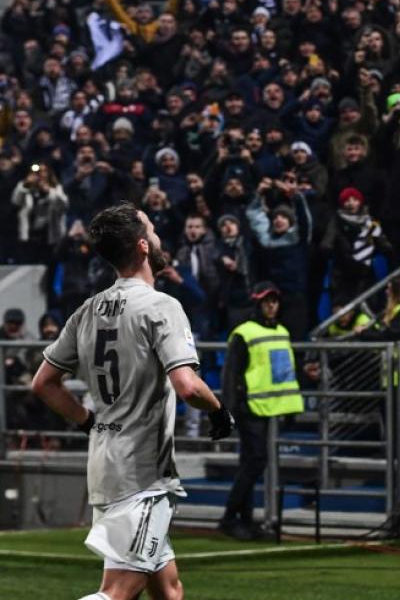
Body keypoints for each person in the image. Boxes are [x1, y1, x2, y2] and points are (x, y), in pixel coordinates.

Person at [30, 203, 234, 600]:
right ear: (143, 246)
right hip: (142, 473)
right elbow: (187, 386)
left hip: (107, 464)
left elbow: (44, 383)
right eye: (154, 231)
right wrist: (219, 409)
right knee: (119, 591)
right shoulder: (161, 306)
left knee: (169, 589)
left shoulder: (87, 310)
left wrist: (89, 421)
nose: (159, 238)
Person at [219, 281, 304, 540]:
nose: (271, 305)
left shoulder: (281, 331)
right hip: (249, 407)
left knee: (251, 462)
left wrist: (290, 407)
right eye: (267, 301)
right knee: (256, 461)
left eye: (274, 301)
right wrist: (231, 410)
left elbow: (284, 373)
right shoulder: (244, 333)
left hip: (267, 406)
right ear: (257, 303)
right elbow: (231, 374)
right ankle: (230, 517)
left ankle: (243, 519)